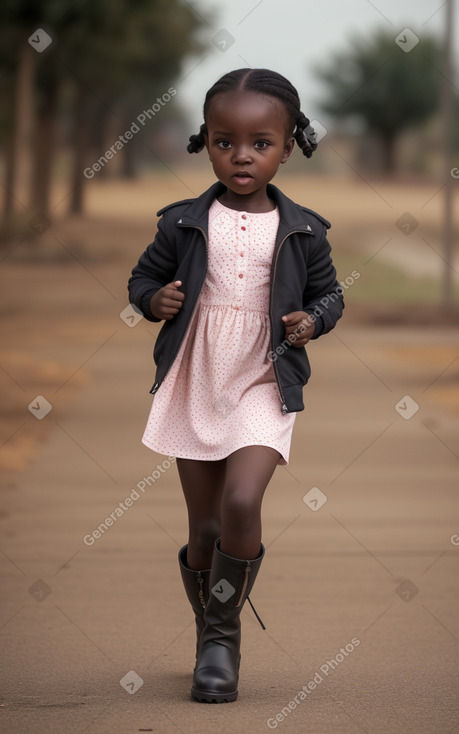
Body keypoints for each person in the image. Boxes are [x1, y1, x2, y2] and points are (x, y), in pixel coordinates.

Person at [128, 68, 344, 703]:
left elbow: (329, 295)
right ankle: (207, 630)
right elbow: (143, 279)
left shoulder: (305, 230)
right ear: (206, 141)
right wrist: (154, 299)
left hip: (263, 378)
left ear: (288, 144)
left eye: (260, 142)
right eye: (225, 141)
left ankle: (222, 641)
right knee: (204, 528)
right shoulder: (182, 223)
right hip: (197, 375)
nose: (241, 155)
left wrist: (313, 320)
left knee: (241, 506)